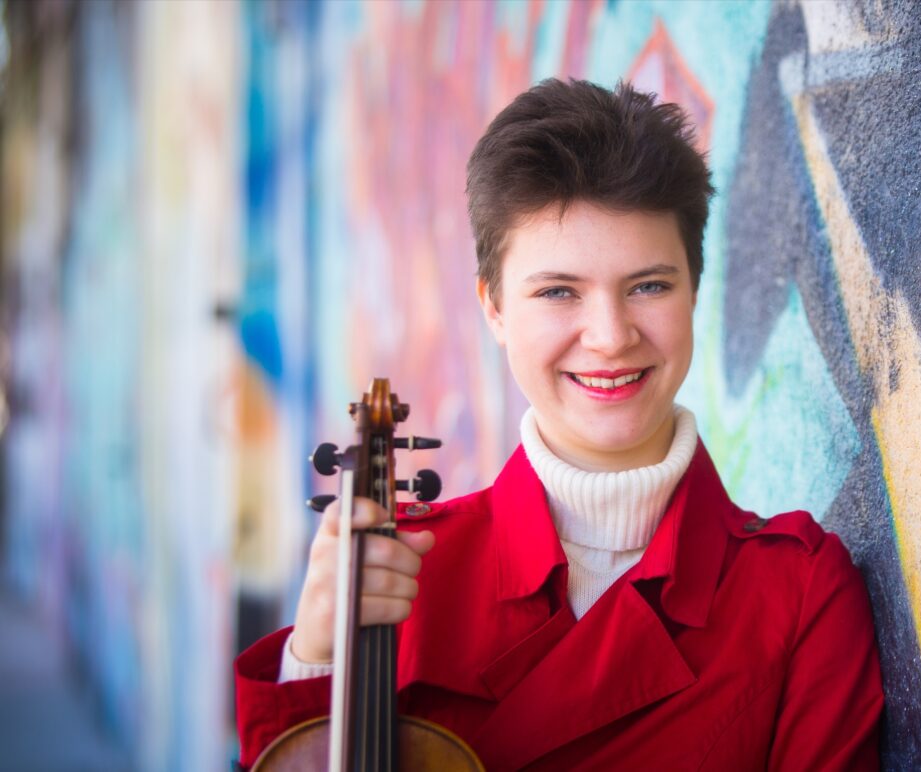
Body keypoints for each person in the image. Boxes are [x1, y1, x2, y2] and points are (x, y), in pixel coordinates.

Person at [235, 78, 883, 770]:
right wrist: (316, 660)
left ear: (694, 288)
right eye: (557, 292)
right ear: (494, 308)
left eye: (649, 285)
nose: (610, 337)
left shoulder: (796, 594)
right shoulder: (405, 578)